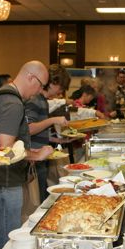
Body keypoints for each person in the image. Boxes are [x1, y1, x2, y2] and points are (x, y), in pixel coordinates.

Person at [0, 61, 53, 249]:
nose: (39, 91)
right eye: (40, 85)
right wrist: (36, 155)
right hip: (5, 182)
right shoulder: (12, 103)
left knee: (4, 237)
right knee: (6, 244)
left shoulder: (2, 95)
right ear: (30, 77)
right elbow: (6, 149)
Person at [26, 64, 71, 201]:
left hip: (41, 156)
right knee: (38, 198)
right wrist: (53, 120)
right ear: (53, 83)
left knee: (43, 195)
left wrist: (58, 141)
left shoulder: (43, 101)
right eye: (61, 88)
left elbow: (39, 131)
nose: (60, 92)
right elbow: (29, 128)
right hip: (34, 157)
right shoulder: (35, 99)